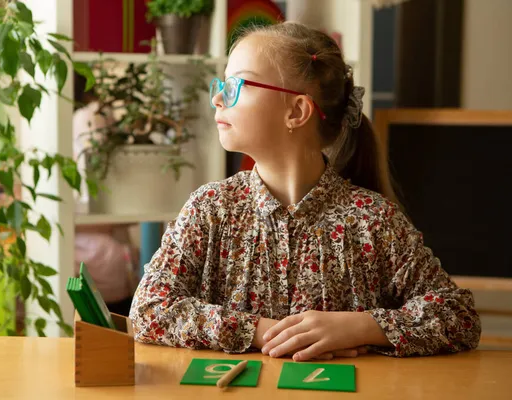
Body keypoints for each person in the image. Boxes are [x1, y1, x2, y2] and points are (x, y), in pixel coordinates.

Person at [129, 22, 481, 359]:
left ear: (297, 111)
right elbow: (149, 309)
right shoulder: (210, 208)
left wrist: (362, 327)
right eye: (222, 84)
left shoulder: (374, 221)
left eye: (240, 84)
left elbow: (458, 316)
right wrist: (266, 332)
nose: (219, 98)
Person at [73, 73, 139, 316]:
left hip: (95, 245)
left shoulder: (85, 116)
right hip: (100, 248)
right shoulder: (90, 115)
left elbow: (98, 173)